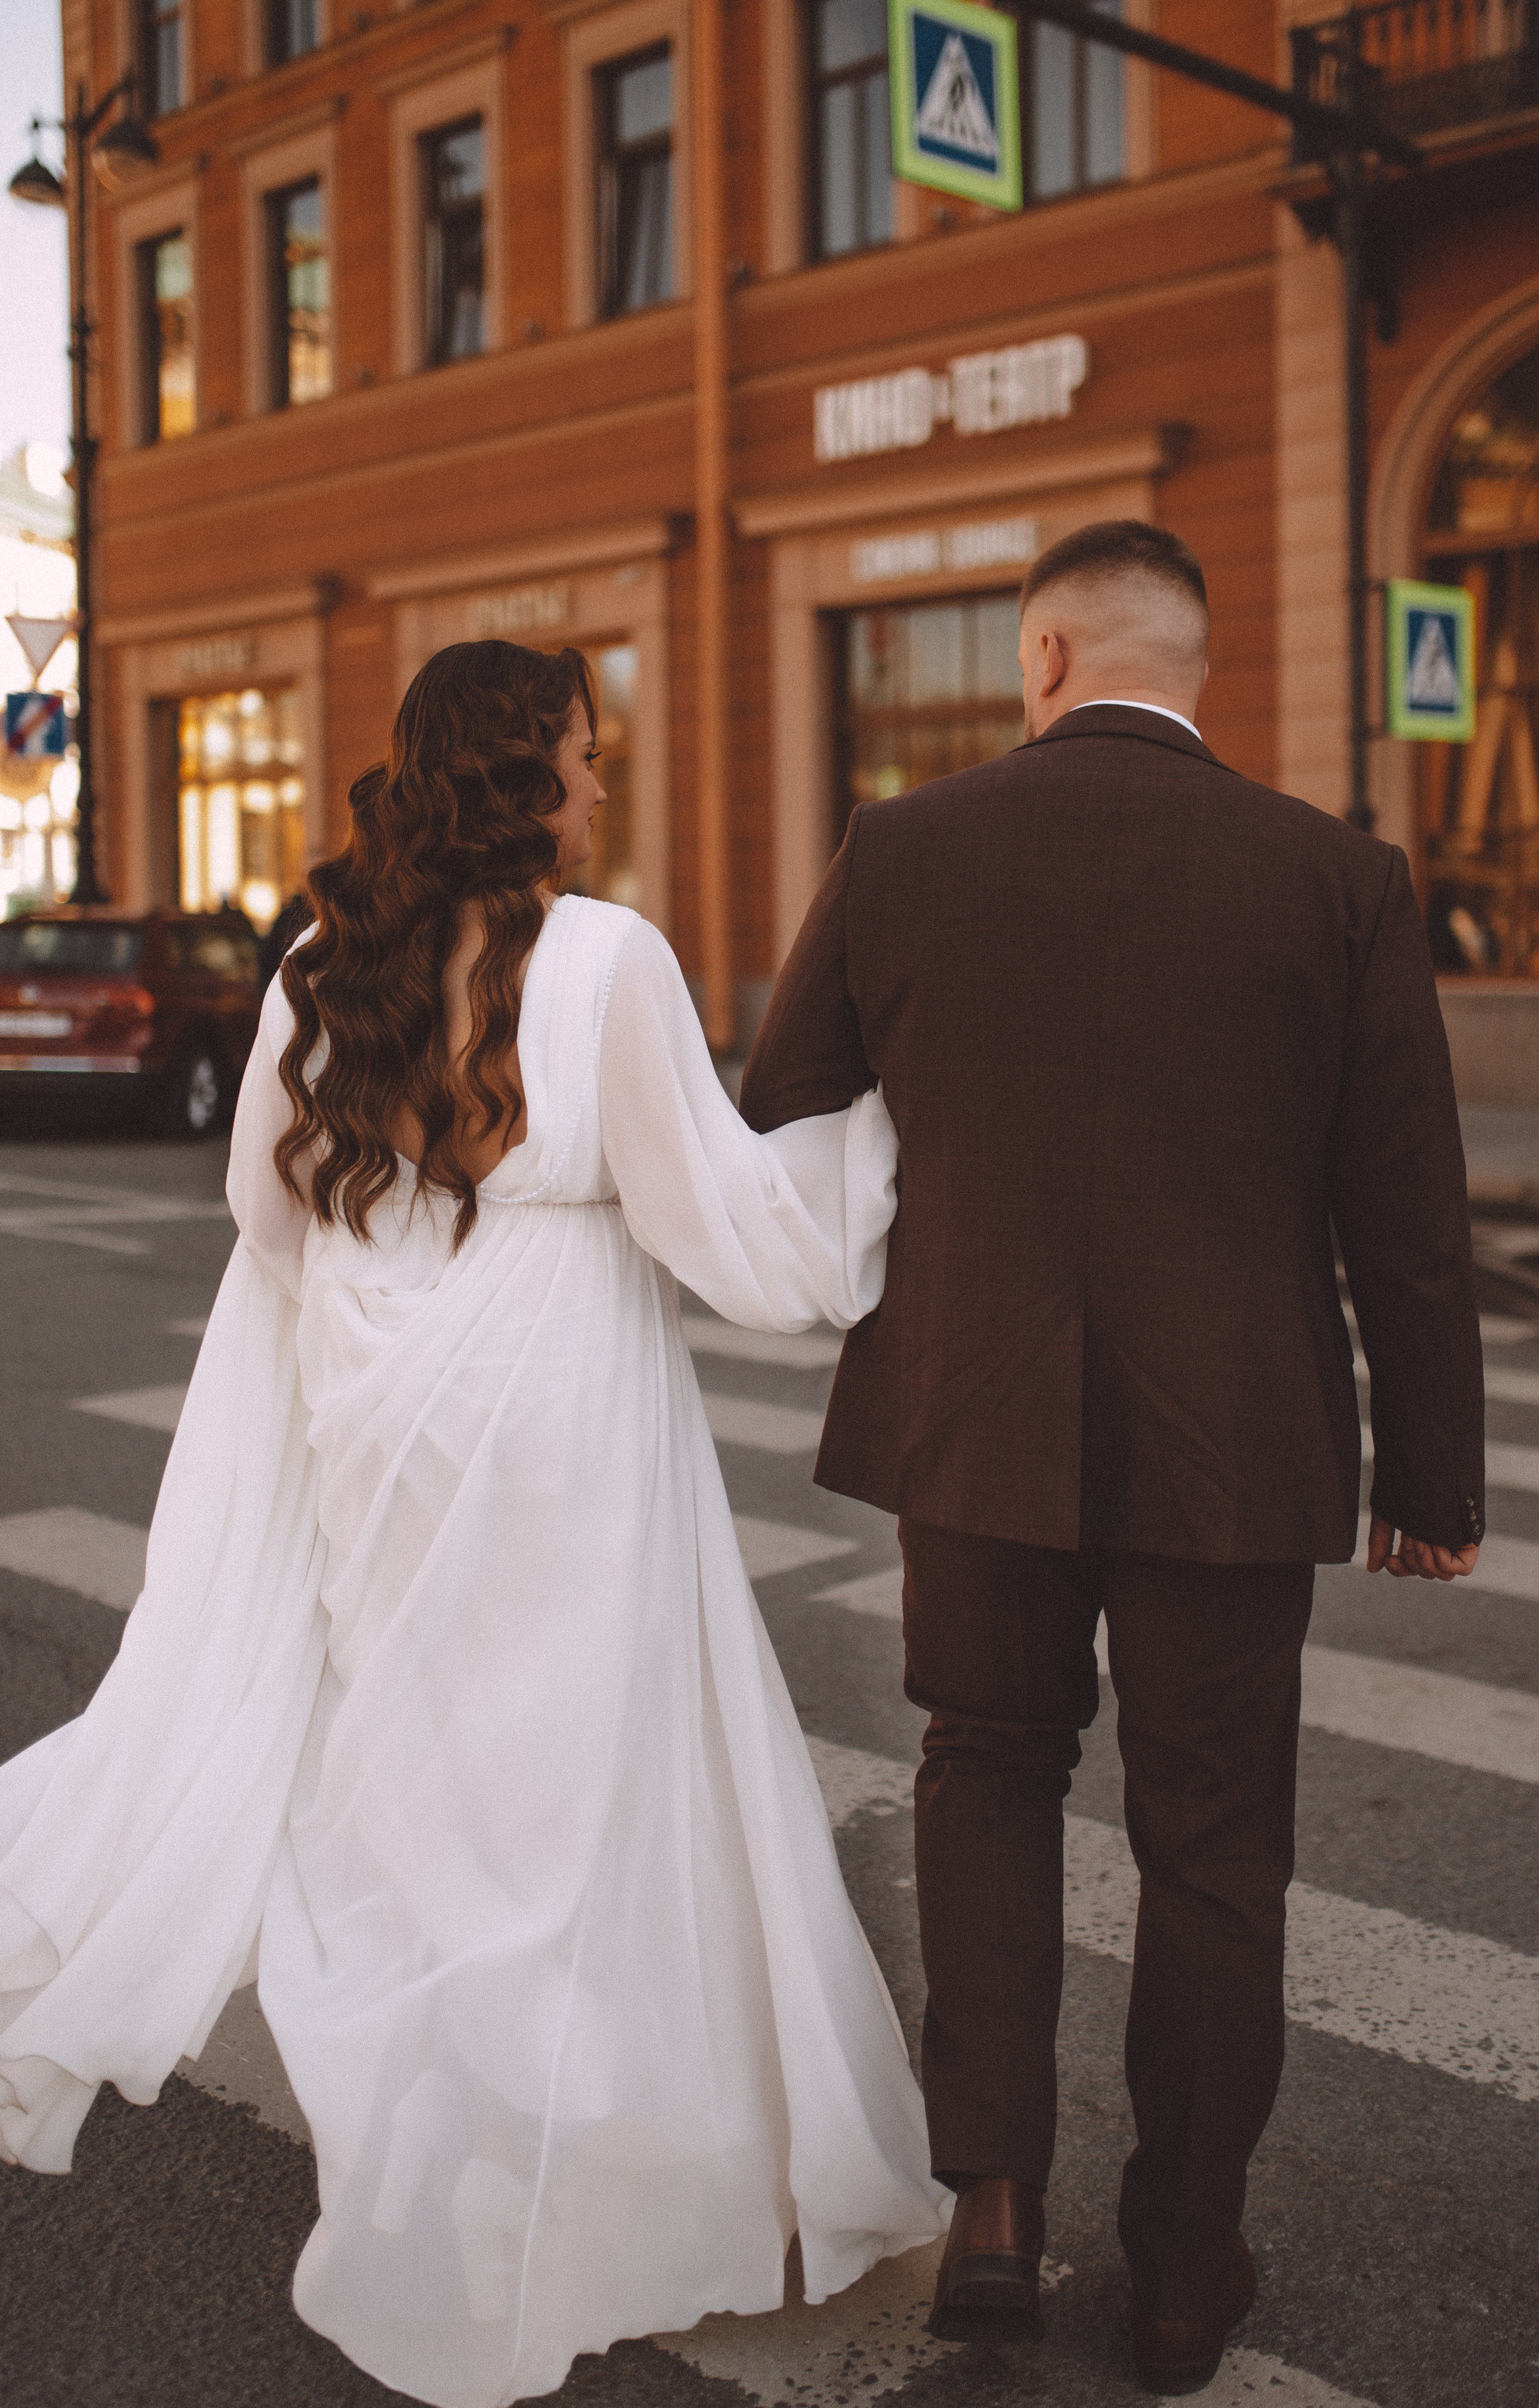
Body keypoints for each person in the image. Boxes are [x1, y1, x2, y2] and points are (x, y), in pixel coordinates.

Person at [0, 640, 949, 2408]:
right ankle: (581, 2159)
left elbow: (261, 1205)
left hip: (383, 1401)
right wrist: (876, 1139)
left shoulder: (321, 960)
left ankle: (429, 2137)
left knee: (421, 1781)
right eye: (584, 756)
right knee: (575, 1789)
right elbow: (719, 1221)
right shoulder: (609, 959)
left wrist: (394, 1272)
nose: (599, 782)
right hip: (561, 1410)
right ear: (525, 776)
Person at [740, 521, 1485, 2395]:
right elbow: (1408, 1211)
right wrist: (1432, 1479)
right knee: (1215, 1842)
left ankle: (993, 2204)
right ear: (1193, 667)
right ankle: (1181, 2266)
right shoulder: (1338, 878)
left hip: (972, 1414)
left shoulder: (905, 846)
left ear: (1047, 656)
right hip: (1236, 1434)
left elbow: (783, 1098)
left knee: (986, 1770)